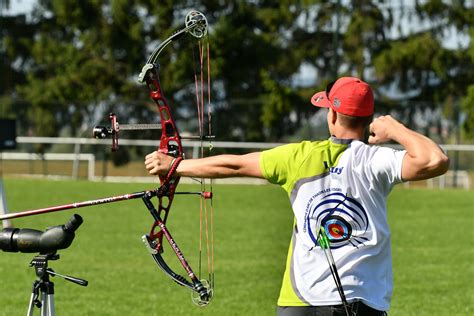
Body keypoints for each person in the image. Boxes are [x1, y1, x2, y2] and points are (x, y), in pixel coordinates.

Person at [144, 77, 449, 316]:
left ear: (332, 115)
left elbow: (233, 164)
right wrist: (394, 128)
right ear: (368, 119)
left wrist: (176, 166)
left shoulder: (298, 156)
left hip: (300, 303)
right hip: (361, 303)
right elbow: (434, 159)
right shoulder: (376, 161)